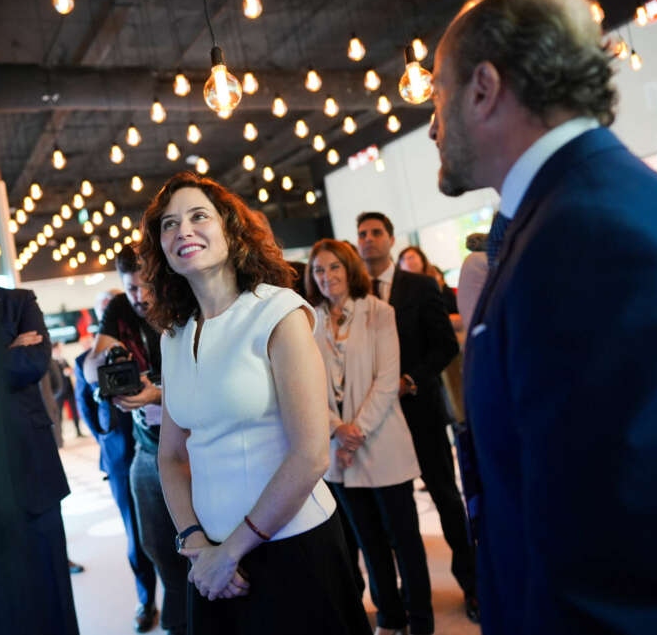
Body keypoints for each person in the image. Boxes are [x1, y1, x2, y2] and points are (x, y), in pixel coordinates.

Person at [429, 0, 657, 634]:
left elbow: (618, 564)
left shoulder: (585, 235)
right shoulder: (574, 208)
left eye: (437, 94)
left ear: (484, 88)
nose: (433, 124)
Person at [144, 171, 370, 635]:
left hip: (292, 545)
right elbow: (169, 455)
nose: (182, 230)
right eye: (168, 224)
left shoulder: (277, 312)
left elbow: (310, 455)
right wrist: (195, 544)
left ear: (230, 229)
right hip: (211, 561)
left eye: (198, 216)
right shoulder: (173, 335)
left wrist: (230, 553)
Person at [356, 211, 478, 622]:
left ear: (390, 239)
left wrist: (413, 379)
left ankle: (473, 584)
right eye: (362, 234)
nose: (368, 240)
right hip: (379, 421)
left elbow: (445, 346)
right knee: (397, 514)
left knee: (445, 499)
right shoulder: (355, 293)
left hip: (420, 410)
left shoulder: (421, 286)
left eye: (376, 233)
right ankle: (411, 592)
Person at [307, 238, 433, 635]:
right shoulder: (308, 321)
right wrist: (335, 429)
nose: (326, 277)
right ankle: (390, 618)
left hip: (381, 444)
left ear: (349, 268)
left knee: (406, 542)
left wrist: (354, 431)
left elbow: (385, 380)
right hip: (338, 454)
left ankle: (421, 620)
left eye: (333, 268)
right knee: (369, 544)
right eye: (318, 270)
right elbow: (306, 386)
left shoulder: (380, 312)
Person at [83, 249, 188, 635]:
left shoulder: (184, 303)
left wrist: (155, 394)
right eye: (131, 290)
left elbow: (205, 384)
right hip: (148, 447)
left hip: (196, 445)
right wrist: (108, 359)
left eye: (146, 289)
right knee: (155, 544)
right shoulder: (120, 310)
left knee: (202, 539)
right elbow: (92, 366)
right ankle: (175, 616)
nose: (140, 298)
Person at [0, 284, 79, 635]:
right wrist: (4, 353)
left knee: (52, 591)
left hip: (34, 472)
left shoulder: (18, 301)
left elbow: (33, 362)